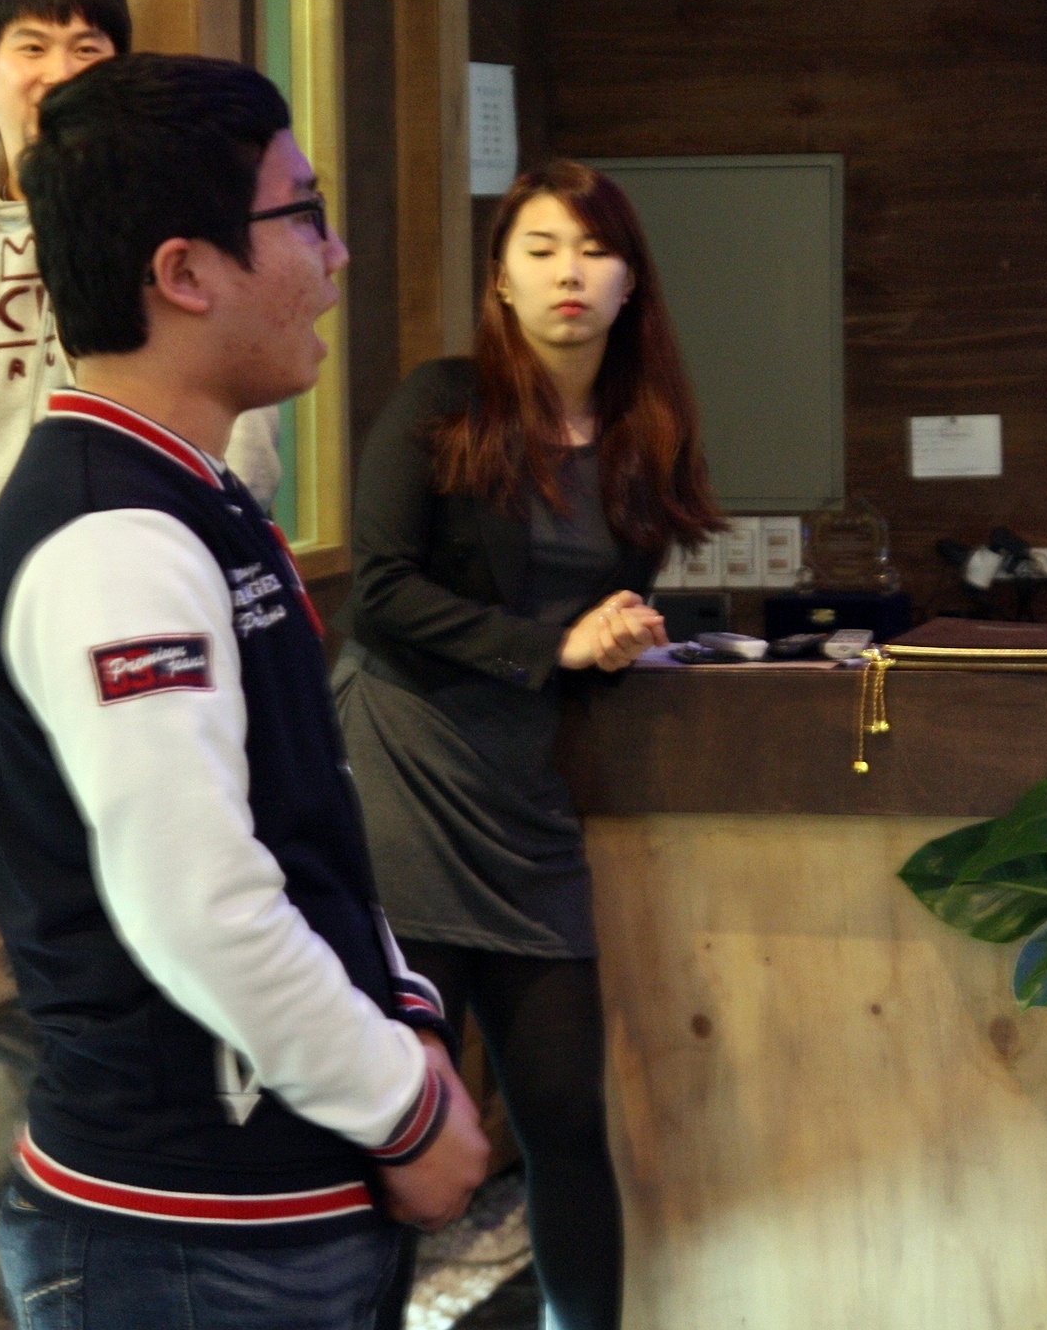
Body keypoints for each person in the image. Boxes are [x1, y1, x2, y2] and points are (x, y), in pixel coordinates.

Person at [0, 51, 488, 1330]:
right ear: (185, 272)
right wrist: (405, 1105)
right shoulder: (114, 536)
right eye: (302, 215)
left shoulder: (195, 490)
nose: (335, 253)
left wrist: (404, 1023)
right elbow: (200, 903)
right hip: (184, 1240)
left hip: (265, 1211)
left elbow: (303, 823)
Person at [0, 0, 285, 1329]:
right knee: (1, 980)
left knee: (157, 929)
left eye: (91, 44)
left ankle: (137, 1246)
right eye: (34, 45)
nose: (63, 67)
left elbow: (235, 437)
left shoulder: (159, 228)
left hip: (141, 624)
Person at [335, 160, 725, 1330]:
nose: (570, 273)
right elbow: (380, 592)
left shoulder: (646, 433)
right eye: (542, 249)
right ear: (501, 278)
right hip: (403, 768)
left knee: (565, 1116)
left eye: (595, 251)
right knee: (400, 1116)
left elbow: (595, 618)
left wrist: (615, 638)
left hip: (524, 791)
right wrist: (554, 645)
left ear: (630, 282)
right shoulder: (443, 401)